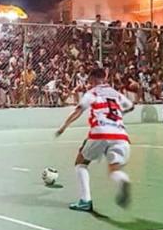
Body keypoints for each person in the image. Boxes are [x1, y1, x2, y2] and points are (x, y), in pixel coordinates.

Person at [56, 68, 134, 212]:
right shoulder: (116, 93)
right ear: (104, 78)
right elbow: (131, 106)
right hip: (121, 134)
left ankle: (85, 201)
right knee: (114, 169)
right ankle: (123, 180)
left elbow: (78, 110)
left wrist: (64, 126)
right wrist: (118, 115)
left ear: (92, 79)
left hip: (101, 132)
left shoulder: (91, 93)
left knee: (80, 162)